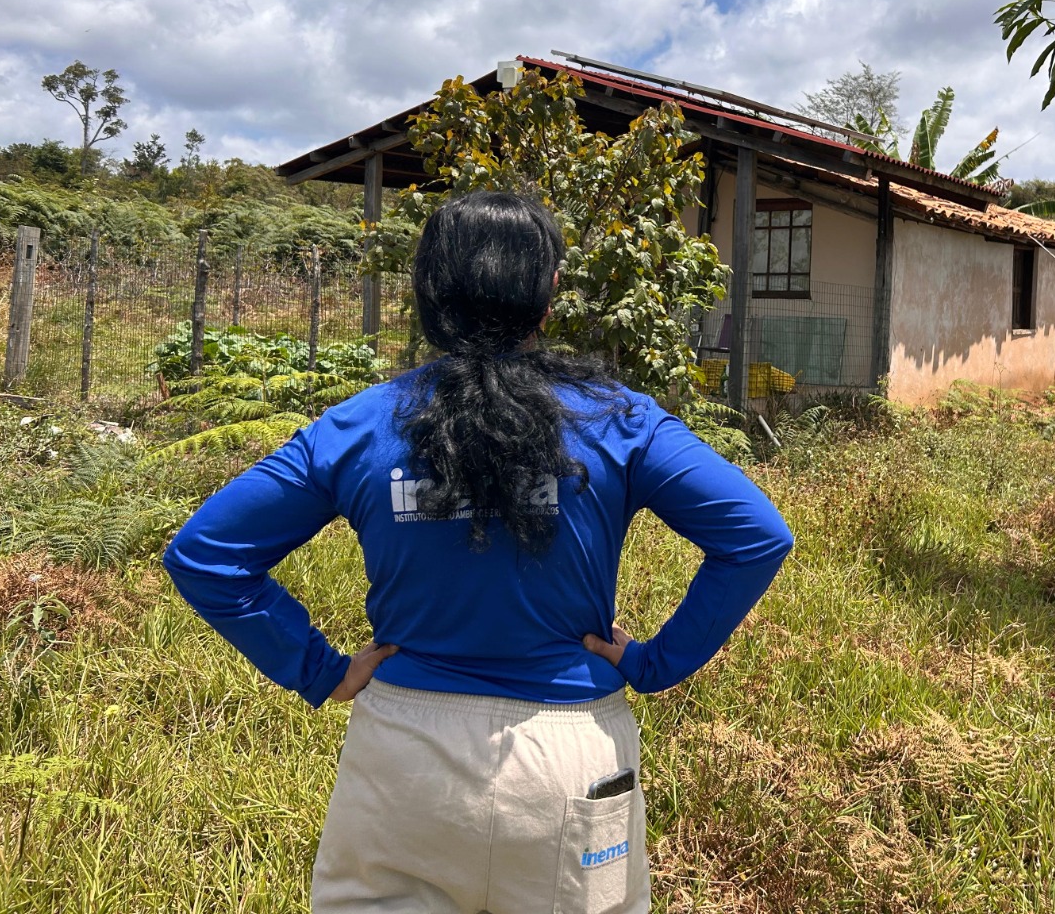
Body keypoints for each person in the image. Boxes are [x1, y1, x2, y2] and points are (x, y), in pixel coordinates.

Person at [164, 190, 794, 914]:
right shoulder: (623, 421)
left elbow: (206, 553)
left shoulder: (359, 426)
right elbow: (756, 536)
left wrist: (319, 670)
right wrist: (658, 662)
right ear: (548, 292)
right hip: (571, 763)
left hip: (402, 757)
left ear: (428, 293)